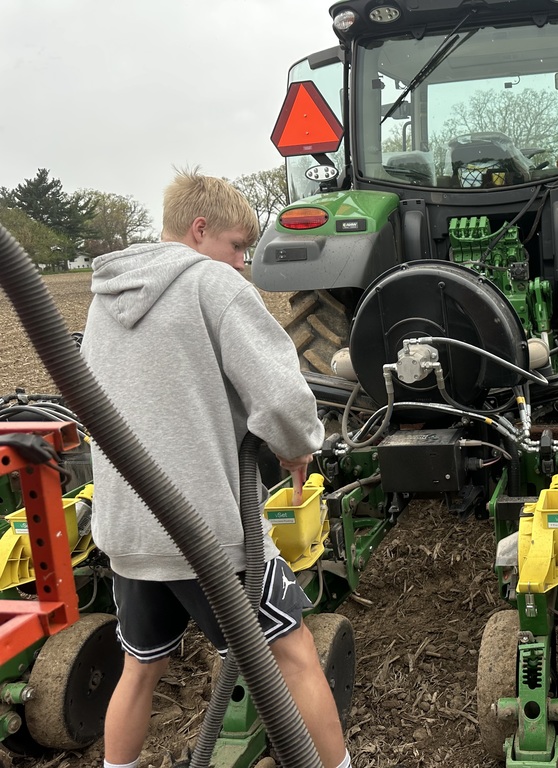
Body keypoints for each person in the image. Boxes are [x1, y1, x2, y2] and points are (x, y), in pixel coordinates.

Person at [80, 170, 351, 768]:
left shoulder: (103, 299)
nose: (242, 262)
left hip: (128, 534)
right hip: (209, 537)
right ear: (200, 230)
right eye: (237, 246)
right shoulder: (211, 283)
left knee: (139, 668)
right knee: (295, 654)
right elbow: (282, 398)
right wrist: (298, 447)